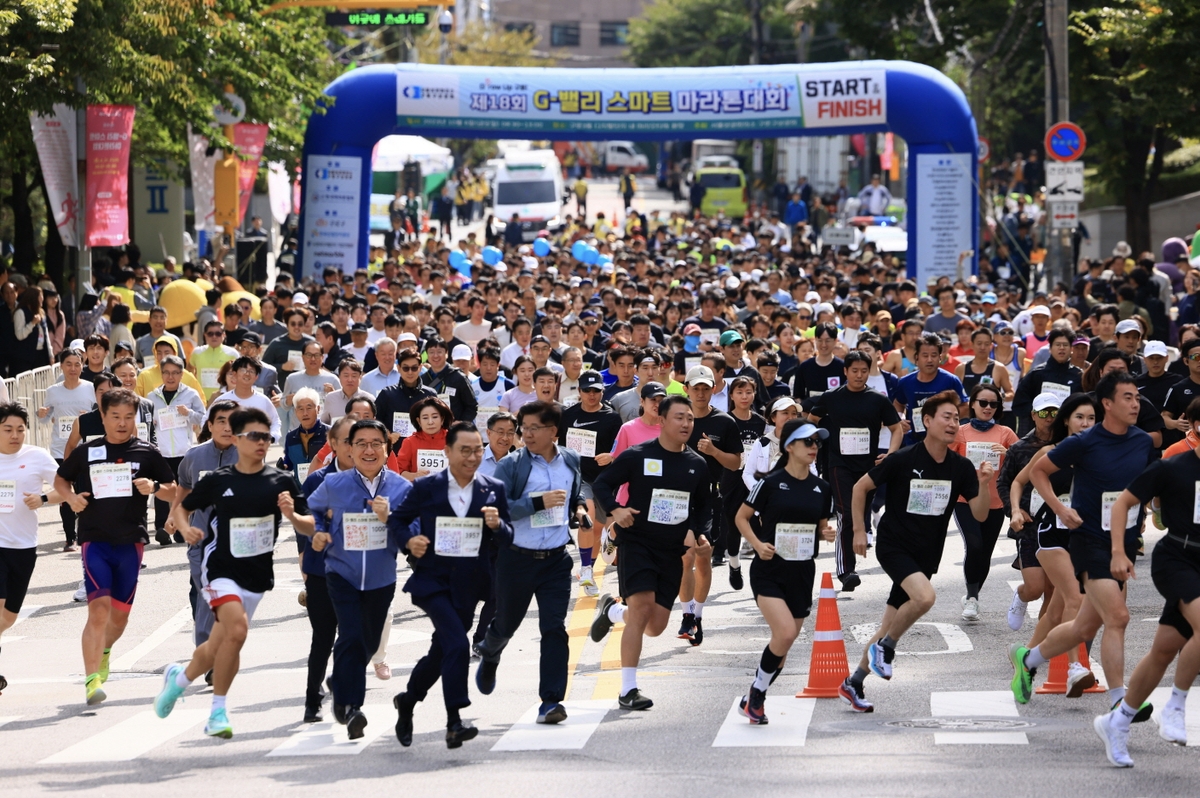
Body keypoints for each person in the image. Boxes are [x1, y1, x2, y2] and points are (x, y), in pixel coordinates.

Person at [155, 407, 314, 739]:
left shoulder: (280, 481)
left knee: (217, 646)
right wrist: (184, 529)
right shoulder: (218, 480)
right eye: (254, 436)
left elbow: (310, 525)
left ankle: (179, 679)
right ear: (239, 439)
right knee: (237, 631)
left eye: (266, 436)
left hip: (256, 576)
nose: (261, 442)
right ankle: (217, 713)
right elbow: (183, 508)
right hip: (219, 569)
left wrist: (292, 515)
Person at [1013, 372, 1157, 714]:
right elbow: (1037, 473)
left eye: (1137, 397)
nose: (1135, 404)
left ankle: (1028, 658)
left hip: (1122, 542)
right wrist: (1061, 508)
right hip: (1088, 540)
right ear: (1107, 403)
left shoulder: (1142, 442)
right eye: (1127, 397)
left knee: (1084, 625)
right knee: (1118, 616)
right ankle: (1120, 701)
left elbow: (1145, 485)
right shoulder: (1084, 442)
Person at [841, 390, 993, 711]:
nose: (953, 423)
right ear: (927, 421)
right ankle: (887, 648)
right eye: (946, 417)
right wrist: (858, 529)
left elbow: (979, 513)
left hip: (926, 554)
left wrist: (984, 483)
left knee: (888, 623)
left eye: (956, 418)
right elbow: (860, 487)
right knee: (925, 598)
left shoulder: (961, 467)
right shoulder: (904, 458)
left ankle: (854, 681)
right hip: (894, 546)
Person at [389, 421, 512, 749]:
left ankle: (408, 700)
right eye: (465, 450)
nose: (473, 457)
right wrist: (408, 541)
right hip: (432, 581)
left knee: (441, 650)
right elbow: (397, 520)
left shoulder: (492, 488)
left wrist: (498, 525)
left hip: (470, 584)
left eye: (478, 450)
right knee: (458, 645)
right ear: (448, 452)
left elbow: (509, 536)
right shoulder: (427, 487)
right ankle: (455, 721)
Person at [54, 388, 178, 705]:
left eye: (127, 417)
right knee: (98, 611)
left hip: (130, 543)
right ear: (103, 416)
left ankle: (105, 650)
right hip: (94, 540)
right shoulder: (88, 451)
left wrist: (154, 487)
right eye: (115, 417)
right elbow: (60, 479)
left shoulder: (147, 452)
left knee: (119, 618)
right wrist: (70, 499)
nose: (122, 423)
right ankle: (91, 679)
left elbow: (171, 490)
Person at [590, 395, 711, 710]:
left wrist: (699, 533)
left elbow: (705, 507)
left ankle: (613, 612)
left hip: (671, 551)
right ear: (662, 420)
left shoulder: (697, 464)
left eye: (690, 419)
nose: (686, 423)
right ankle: (628, 689)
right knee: (642, 609)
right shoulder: (637, 456)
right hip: (638, 543)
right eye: (679, 417)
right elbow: (602, 484)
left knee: (655, 626)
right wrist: (616, 510)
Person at [474, 401, 584, 726]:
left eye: (534, 428)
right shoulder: (511, 465)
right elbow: (497, 507)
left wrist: (580, 512)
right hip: (516, 559)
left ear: (553, 431)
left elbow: (576, 494)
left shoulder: (572, 460)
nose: (526, 433)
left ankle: (550, 701)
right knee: (506, 623)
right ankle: (491, 650)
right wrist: (537, 503)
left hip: (555, 561)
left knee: (554, 629)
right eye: (525, 427)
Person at [1093, 441, 1200, 765]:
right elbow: (1122, 504)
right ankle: (1176, 706)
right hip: (1177, 560)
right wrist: (1117, 551)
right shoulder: (1172, 467)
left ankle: (1118, 721)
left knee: (1164, 650)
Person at [305, 419, 412, 739]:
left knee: (366, 642)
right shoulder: (335, 484)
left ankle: (339, 682)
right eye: (361, 443)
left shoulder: (400, 488)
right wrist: (321, 533)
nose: (369, 450)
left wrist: (389, 518)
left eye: (376, 443)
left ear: (386, 448)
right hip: (342, 574)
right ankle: (353, 708)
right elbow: (313, 510)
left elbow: (412, 532)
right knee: (350, 636)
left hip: (381, 578)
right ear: (349, 449)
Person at [733, 419, 835, 724]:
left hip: (802, 572)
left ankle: (752, 695)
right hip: (769, 569)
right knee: (786, 632)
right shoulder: (770, 483)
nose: (814, 447)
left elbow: (817, 527)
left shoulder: (822, 487)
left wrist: (825, 533)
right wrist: (756, 543)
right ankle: (758, 697)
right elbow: (741, 517)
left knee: (784, 644)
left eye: (817, 442)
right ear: (790, 446)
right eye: (808, 442)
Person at [1007, 392, 1098, 693]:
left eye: (1091, 418)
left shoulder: (1101, 453)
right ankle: (1074, 666)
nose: (1085, 423)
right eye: (1079, 417)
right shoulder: (1051, 451)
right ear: (1067, 421)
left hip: (1083, 537)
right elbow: (1021, 480)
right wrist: (1017, 509)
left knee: (1057, 611)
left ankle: (1027, 657)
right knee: (1076, 598)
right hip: (1050, 533)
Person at [809, 350, 903, 591]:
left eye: (863, 371)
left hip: (868, 467)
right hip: (838, 464)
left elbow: (896, 428)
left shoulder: (878, 399)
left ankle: (848, 567)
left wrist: (891, 454)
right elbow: (812, 419)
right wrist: (815, 445)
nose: (859, 375)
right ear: (845, 371)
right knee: (846, 514)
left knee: (859, 514)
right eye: (854, 371)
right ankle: (845, 571)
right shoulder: (832, 397)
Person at [168, 400, 239, 677]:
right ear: (209, 425)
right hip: (200, 541)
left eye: (232, 421)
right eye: (220, 421)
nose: (226, 426)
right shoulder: (195, 456)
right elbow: (184, 487)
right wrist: (175, 515)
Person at [0, 402, 62, 691]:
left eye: (20, 430)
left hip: (24, 546)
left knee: (8, 617)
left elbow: (65, 488)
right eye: (8, 429)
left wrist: (44, 499)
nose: (15, 435)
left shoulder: (37, 457)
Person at [680, 365, 741, 640]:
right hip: (679, 497)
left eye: (706, 387)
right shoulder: (678, 418)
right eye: (696, 388)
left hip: (711, 497)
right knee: (686, 556)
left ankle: (698, 615)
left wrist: (714, 451)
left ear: (714, 388)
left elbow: (736, 462)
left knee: (703, 559)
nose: (701, 393)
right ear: (686, 389)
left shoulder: (724, 422)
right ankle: (686, 616)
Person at [950, 383, 1019, 620]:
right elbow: (945, 460)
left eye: (993, 404)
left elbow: (1024, 463)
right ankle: (972, 599)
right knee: (975, 545)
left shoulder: (1006, 433)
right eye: (983, 403)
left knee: (986, 553)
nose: (988, 408)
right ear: (972, 404)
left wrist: (1008, 454)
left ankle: (972, 594)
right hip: (965, 500)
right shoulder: (960, 432)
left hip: (995, 502)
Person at [996, 391, 1061, 632]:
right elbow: (1005, 482)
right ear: (1033, 415)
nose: (1049, 417)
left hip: (1058, 522)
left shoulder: (1068, 446)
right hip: (1030, 524)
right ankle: (1021, 597)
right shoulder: (1019, 448)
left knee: (1053, 589)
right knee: (1035, 588)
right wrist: (1015, 511)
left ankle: (1041, 640)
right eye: (1044, 412)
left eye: (1055, 412)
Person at [559, 371, 622, 596]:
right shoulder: (568, 415)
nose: (592, 394)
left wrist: (611, 456)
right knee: (587, 516)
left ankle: (590, 567)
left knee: (598, 528)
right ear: (580, 392)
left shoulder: (612, 417)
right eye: (587, 390)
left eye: (596, 390)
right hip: (580, 476)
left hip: (605, 479)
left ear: (602, 392)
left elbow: (620, 448)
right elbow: (560, 445)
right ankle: (586, 569)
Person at [144, 355, 207, 544]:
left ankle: (181, 530)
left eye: (175, 373)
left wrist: (189, 413)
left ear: (181, 374)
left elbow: (204, 419)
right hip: (161, 452)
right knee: (162, 491)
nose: (170, 377)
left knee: (183, 491)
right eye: (166, 373)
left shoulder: (191, 394)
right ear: (161, 374)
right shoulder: (151, 397)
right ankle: (162, 529)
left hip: (184, 451)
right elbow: (145, 424)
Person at [39, 349, 97, 552]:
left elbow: (99, 415)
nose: (73, 368)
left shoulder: (90, 388)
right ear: (61, 366)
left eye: (77, 364)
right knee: (65, 492)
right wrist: (42, 413)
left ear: (83, 366)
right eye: (69, 364)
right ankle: (69, 537)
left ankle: (87, 532)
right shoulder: (53, 391)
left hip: (85, 448)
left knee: (85, 491)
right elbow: (46, 418)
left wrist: (88, 415)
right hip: (60, 449)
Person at [894, 333, 968, 445]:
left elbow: (965, 406)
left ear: (940, 357)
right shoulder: (905, 382)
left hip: (943, 441)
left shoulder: (951, 380)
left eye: (934, 355)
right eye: (925, 355)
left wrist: (947, 419)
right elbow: (898, 403)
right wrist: (900, 418)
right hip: (913, 440)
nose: (929, 360)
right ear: (917, 357)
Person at [375, 349, 437, 446]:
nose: (410, 372)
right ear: (398, 368)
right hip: (395, 451)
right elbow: (375, 421)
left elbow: (438, 423)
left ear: (420, 368)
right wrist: (386, 434)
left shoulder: (430, 394)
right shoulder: (387, 394)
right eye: (405, 368)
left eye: (414, 368)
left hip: (423, 450)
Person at [212, 356, 282, 441]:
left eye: (251, 371)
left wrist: (272, 437)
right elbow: (207, 420)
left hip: (254, 448)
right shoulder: (222, 400)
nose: (247, 374)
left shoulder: (264, 400)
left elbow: (275, 422)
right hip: (227, 448)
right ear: (235, 374)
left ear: (256, 377)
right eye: (243, 370)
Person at [390, 397, 452, 480]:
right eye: (425, 418)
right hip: (418, 490)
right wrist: (414, 476)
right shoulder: (410, 442)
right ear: (419, 421)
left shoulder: (454, 440)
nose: (430, 422)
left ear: (442, 419)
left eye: (434, 417)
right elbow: (398, 471)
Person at [191, 320, 239, 403]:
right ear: (205, 335)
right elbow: (190, 371)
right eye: (210, 334)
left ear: (224, 335)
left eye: (218, 334)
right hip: (200, 400)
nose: (214, 336)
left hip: (225, 400)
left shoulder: (233, 354)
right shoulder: (197, 352)